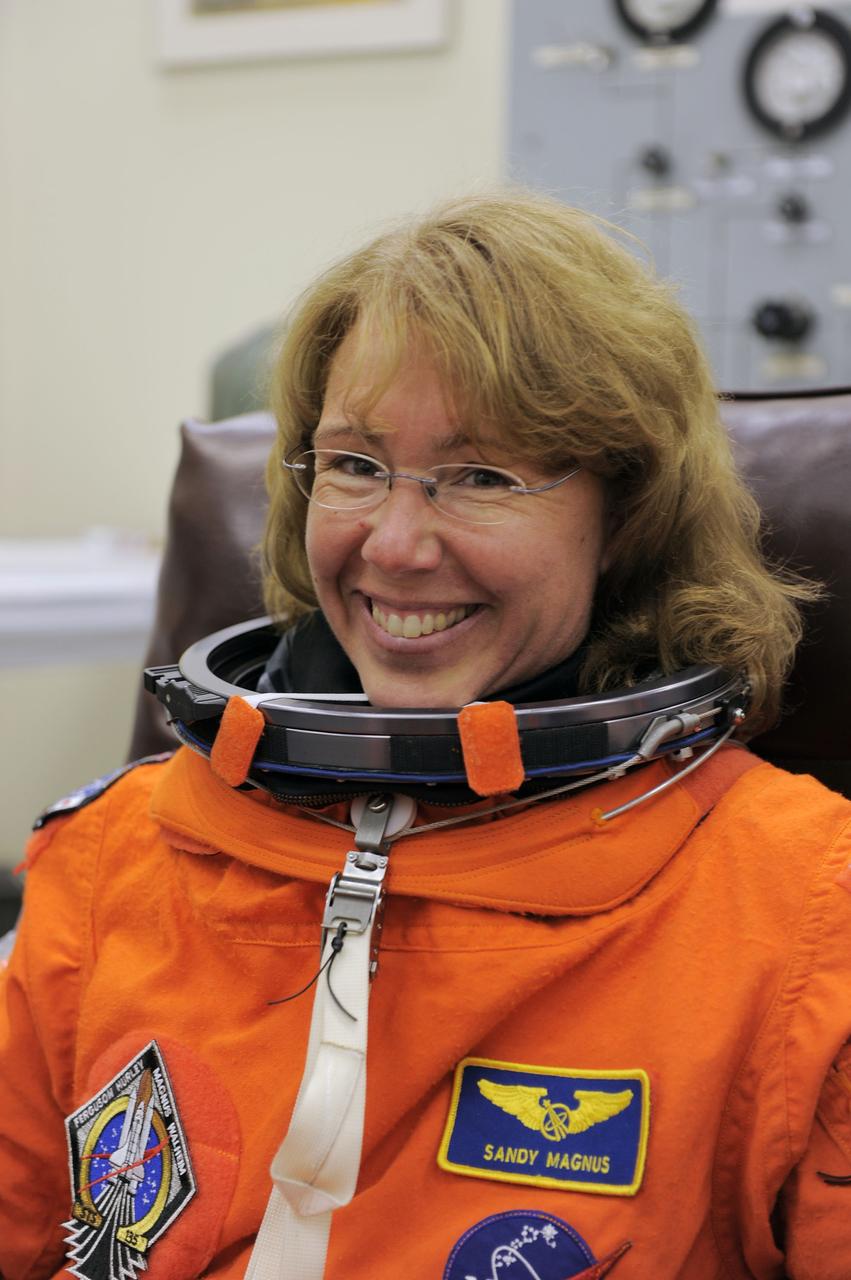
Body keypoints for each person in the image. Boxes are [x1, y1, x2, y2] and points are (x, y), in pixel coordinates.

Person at [1, 191, 850, 1280]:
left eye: (482, 476)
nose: (394, 545)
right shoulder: (112, 861)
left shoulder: (799, 913)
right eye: (353, 464)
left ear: (625, 513)